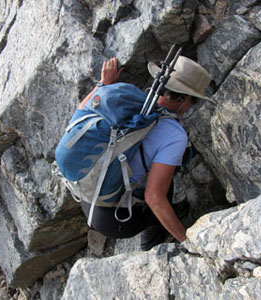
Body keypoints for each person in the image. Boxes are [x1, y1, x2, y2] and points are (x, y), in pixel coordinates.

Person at [78, 56, 213, 251]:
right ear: (182, 99)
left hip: (89, 195)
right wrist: (188, 242)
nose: (193, 106)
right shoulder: (175, 136)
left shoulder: (132, 102)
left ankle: (168, 214)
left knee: (162, 172)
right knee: (162, 184)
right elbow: (154, 198)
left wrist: (104, 85)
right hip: (117, 220)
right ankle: (152, 246)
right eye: (193, 100)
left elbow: (82, 112)